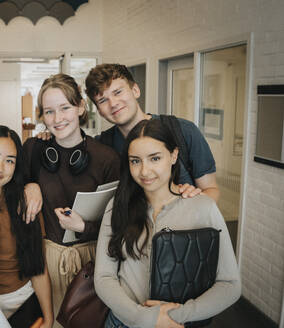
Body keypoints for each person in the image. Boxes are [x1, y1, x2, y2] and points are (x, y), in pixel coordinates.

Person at [94, 119, 240, 328]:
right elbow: (104, 277)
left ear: (173, 155)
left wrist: (177, 316)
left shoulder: (203, 207)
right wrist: (143, 317)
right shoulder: (117, 206)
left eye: (154, 158)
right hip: (124, 322)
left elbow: (230, 284)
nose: (144, 171)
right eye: (135, 161)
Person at [23, 74, 121, 327]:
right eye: (49, 111)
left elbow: (121, 226)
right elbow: (11, 190)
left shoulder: (107, 159)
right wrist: (29, 184)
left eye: (65, 108)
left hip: (92, 260)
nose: (57, 119)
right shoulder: (33, 149)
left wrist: (83, 228)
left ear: (80, 107)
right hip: (45, 263)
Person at [85, 63, 219, 201]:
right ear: (99, 111)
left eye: (118, 92)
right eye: (102, 100)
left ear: (135, 90)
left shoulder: (183, 131)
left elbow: (211, 190)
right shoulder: (103, 146)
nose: (113, 104)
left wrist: (194, 198)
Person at [0, 125, 53, 328]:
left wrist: (48, 318)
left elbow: (37, 266)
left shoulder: (25, 203)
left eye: (9, 161)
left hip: (20, 302)